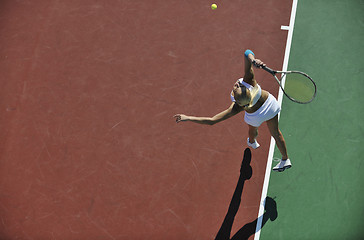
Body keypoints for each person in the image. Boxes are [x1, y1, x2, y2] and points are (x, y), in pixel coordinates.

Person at [173, 49, 291, 172]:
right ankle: (285, 159)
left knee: (252, 130)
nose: (238, 84)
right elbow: (247, 53)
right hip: (271, 105)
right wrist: (253, 60)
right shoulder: (249, 81)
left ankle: (252, 142)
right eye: (239, 86)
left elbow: (212, 121)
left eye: (238, 87)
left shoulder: (237, 107)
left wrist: (188, 118)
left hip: (256, 116)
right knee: (276, 133)